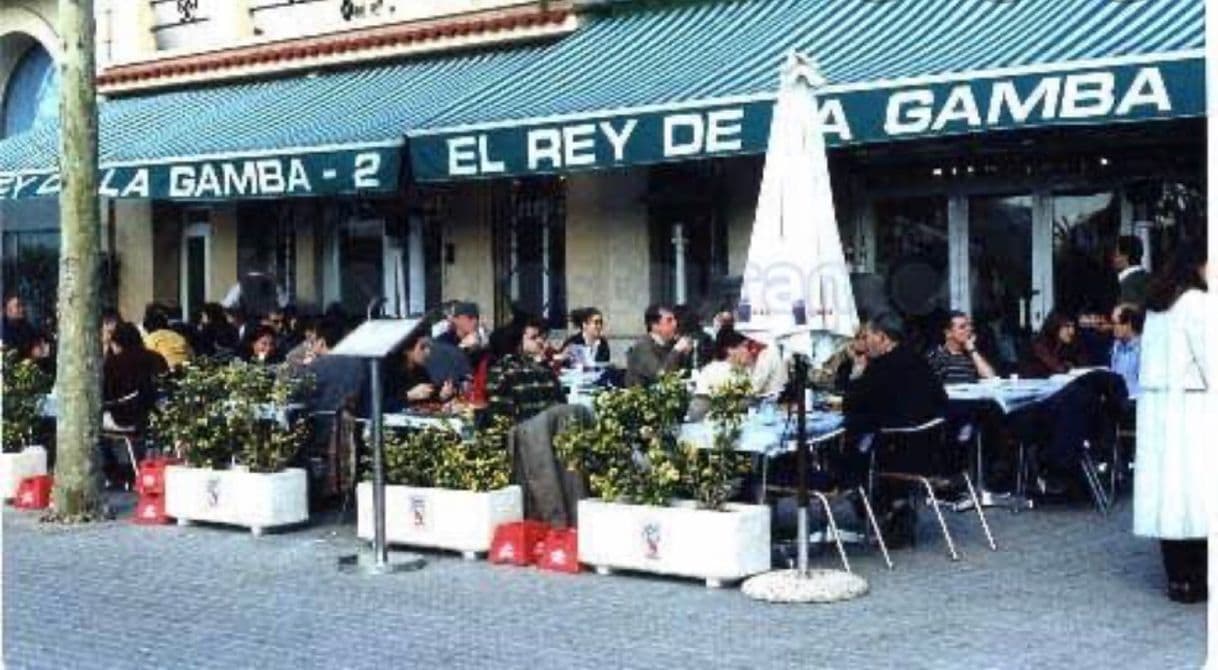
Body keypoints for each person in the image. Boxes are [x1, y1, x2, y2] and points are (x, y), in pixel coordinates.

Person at [1134, 245, 1208, 603]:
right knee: (1196, 492)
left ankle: (1177, 579)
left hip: (1158, 407)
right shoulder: (1198, 303)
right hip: (1192, 406)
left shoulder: (1157, 307)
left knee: (1167, 493)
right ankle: (1197, 578)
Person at [841, 313, 948, 547]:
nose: (864, 342)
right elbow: (941, 398)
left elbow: (852, 403)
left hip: (896, 452)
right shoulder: (918, 361)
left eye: (867, 336)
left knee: (848, 451)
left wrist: (858, 369)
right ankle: (896, 506)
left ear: (882, 337)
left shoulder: (881, 367)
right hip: (930, 450)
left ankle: (878, 507)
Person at [485, 318, 565, 423]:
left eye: (542, 337)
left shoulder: (544, 369)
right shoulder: (506, 370)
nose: (540, 341)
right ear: (518, 341)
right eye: (533, 338)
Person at [624, 304, 693, 387]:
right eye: (669, 321)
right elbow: (660, 376)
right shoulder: (643, 347)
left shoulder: (670, 344)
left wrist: (686, 354)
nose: (675, 324)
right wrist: (676, 351)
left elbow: (683, 374)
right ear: (655, 326)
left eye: (675, 319)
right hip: (643, 396)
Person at [927, 311, 997, 384]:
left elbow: (990, 378)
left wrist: (972, 350)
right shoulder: (937, 356)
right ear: (948, 333)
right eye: (962, 327)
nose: (969, 330)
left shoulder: (973, 355)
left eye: (969, 326)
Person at [395, 329, 454, 408]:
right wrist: (408, 396)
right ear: (407, 350)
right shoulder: (388, 371)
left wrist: (442, 395)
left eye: (428, 347)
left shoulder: (420, 371)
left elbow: (429, 397)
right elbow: (379, 404)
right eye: (422, 347)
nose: (427, 352)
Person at [1022, 310, 1081, 377]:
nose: (1072, 331)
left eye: (1073, 326)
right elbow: (1059, 367)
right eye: (1067, 326)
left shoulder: (1066, 346)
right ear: (1055, 326)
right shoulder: (1040, 344)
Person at [1109, 303, 1143, 402]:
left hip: (1135, 403)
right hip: (1117, 403)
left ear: (1129, 324)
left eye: (1116, 323)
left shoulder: (1143, 349)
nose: (1113, 327)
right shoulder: (1116, 347)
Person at [142, 303, 193, 370]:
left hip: (166, 372)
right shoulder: (178, 336)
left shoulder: (150, 339)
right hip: (186, 370)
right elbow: (191, 354)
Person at [1113, 235, 1150, 308]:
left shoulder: (1125, 286)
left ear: (1125, 256)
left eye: (1115, 254)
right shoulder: (1151, 279)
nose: (1112, 258)